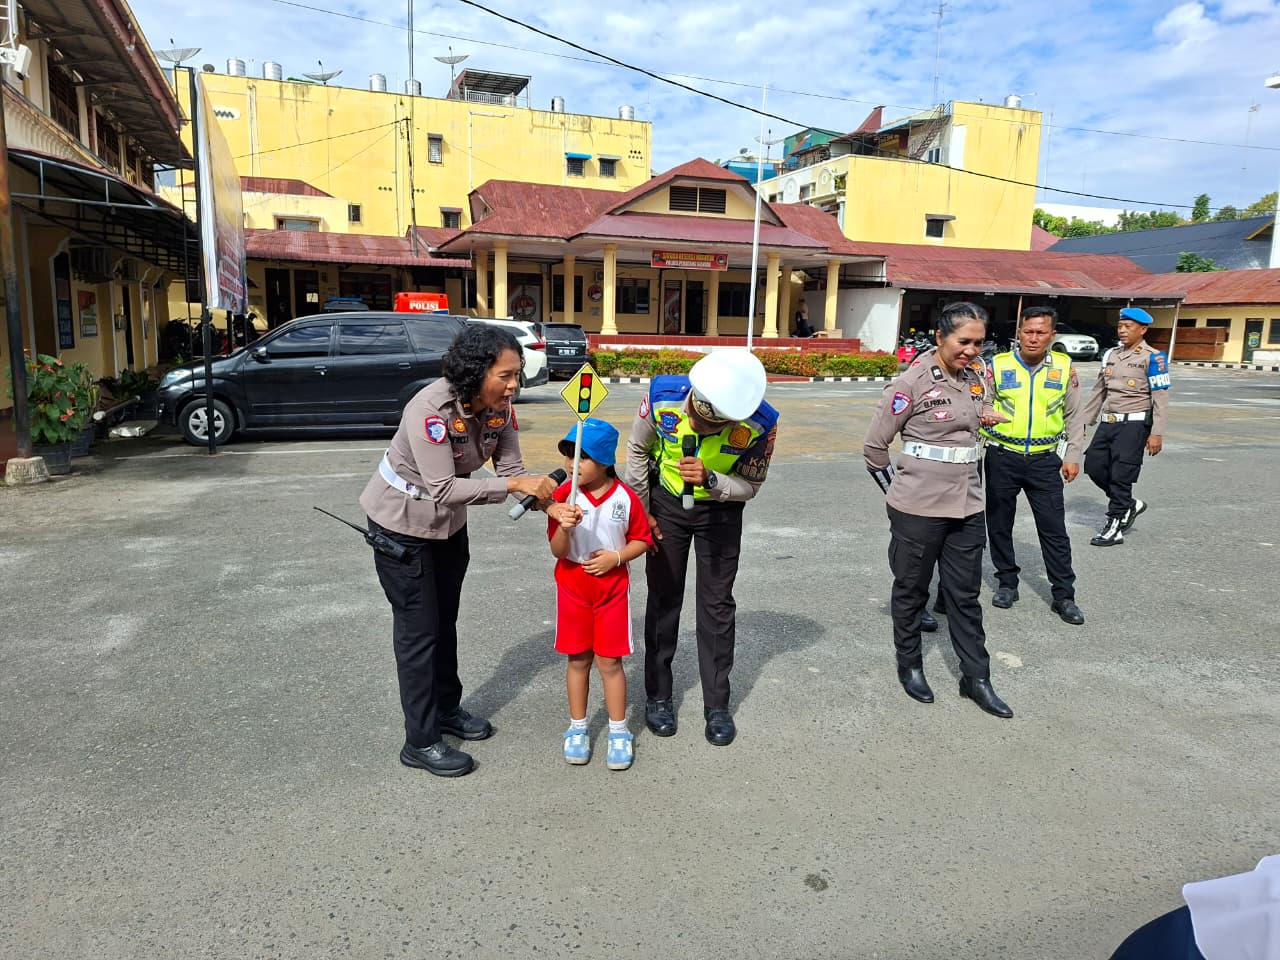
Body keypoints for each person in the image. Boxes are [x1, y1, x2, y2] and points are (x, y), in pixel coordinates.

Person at [359, 325, 558, 777]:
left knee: (443, 621)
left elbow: (512, 469)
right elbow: (444, 487)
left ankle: (447, 708)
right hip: (402, 526)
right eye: (505, 375)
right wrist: (516, 484)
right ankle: (420, 741)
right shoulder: (430, 409)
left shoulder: (499, 408)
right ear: (476, 372)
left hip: (448, 527)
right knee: (418, 634)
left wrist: (551, 504)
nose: (514, 385)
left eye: (517, 374)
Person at [863, 301, 1014, 718]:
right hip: (918, 508)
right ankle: (910, 664)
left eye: (978, 343)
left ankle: (976, 677)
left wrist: (985, 416)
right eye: (963, 341)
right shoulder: (910, 383)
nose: (971, 350)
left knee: (965, 595)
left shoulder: (976, 377)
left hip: (967, 503)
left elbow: (970, 416)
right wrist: (897, 494)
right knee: (911, 590)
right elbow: (874, 447)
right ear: (940, 337)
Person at [624, 349, 778, 746]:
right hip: (665, 505)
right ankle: (658, 696)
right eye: (695, 415)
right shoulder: (662, 396)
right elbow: (638, 449)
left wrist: (711, 480)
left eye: (709, 426)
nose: (696, 425)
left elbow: (750, 487)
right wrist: (643, 512)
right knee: (664, 598)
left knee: (716, 605)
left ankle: (717, 705)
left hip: (720, 511)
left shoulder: (761, 423)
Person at [545, 419, 653, 771]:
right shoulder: (563, 497)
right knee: (578, 659)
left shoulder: (625, 497)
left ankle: (619, 731)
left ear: (605, 460)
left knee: (610, 662)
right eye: (568, 456)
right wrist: (564, 528)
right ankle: (577, 727)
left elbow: (642, 539)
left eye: (582, 457)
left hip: (612, 590)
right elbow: (558, 551)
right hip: (572, 586)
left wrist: (616, 557)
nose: (571, 464)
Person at [980, 305, 1087, 625]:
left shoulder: (1064, 368)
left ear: (1052, 335)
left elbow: (1075, 416)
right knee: (999, 524)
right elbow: (982, 401)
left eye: (1041, 332)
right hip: (1002, 456)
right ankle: (1006, 582)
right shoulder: (997, 365)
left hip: (1044, 460)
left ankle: (1064, 595)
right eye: (1028, 331)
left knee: (1054, 529)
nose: (1033, 338)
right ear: (1019, 333)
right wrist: (986, 414)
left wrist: (1073, 456)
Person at [1082, 307, 1170, 546]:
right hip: (1108, 422)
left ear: (1143, 329)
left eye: (1128, 326)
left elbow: (1160, 398)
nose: (1122, 330)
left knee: (1121, 475)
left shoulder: (1153, 358)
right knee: (1094, 466)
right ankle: (1128, 504)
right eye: (1120, 326)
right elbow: (1099, 391)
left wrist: (1156, 433)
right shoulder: (1111, 354)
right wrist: (1083, 423)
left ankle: (1115, 525)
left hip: (1134, 424)